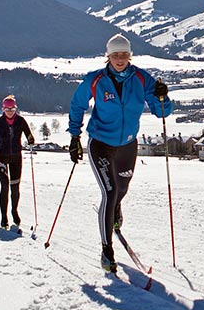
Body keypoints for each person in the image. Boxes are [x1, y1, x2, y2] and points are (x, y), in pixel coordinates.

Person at [68, 33, 173, 272]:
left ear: (130, 55)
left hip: (127, 145)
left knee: (121, 190)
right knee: (110, 191)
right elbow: (77, 104)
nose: (120, 59)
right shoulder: (95, 80)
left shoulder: (141, 78)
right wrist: (75, 137)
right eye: (115, 55)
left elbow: (161, 112)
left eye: (124, 54)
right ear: (108, 56)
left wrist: (162, 96)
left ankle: (115, 209)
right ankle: (107, 250)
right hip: (101, 144)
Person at [0, 95, 34, 232]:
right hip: (0, 158)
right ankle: (4, 217)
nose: (10, 111)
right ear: (3, 109)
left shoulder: (21, 121)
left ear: (15, 109)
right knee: (5, 185)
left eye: (12, 109)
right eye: (7, 109)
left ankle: (14, 212)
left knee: (15, 188)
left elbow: (29, 134)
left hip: (16, 158)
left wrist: (30, 139)